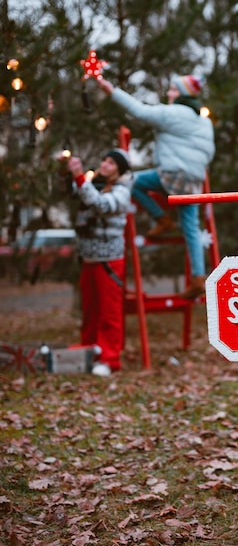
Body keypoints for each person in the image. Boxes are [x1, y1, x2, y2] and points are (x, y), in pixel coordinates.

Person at [97, 73, 215, 299]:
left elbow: (140, 111)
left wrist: (112, 91)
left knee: (130, 182)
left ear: (181, 94)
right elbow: (209, 152)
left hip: (172, 175)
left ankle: (161, 218)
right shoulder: (204, 121)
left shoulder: (173, 113)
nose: (168, 93)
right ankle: (199, 277)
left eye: (172, 89)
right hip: (194, 180)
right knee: (191, 227)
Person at [67, 149, 132, 377]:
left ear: (120, 169)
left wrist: (78, 176)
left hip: (109, 260)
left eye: (111, 162)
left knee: (109, 311)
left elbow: (102, 206)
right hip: (89, 258)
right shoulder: (95, 183)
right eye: (104, 160)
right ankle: (89, 351)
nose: (105, 164)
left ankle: (109, 357)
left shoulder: (122, 191)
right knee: (91, 311)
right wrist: (68, 172)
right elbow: (76, 193)